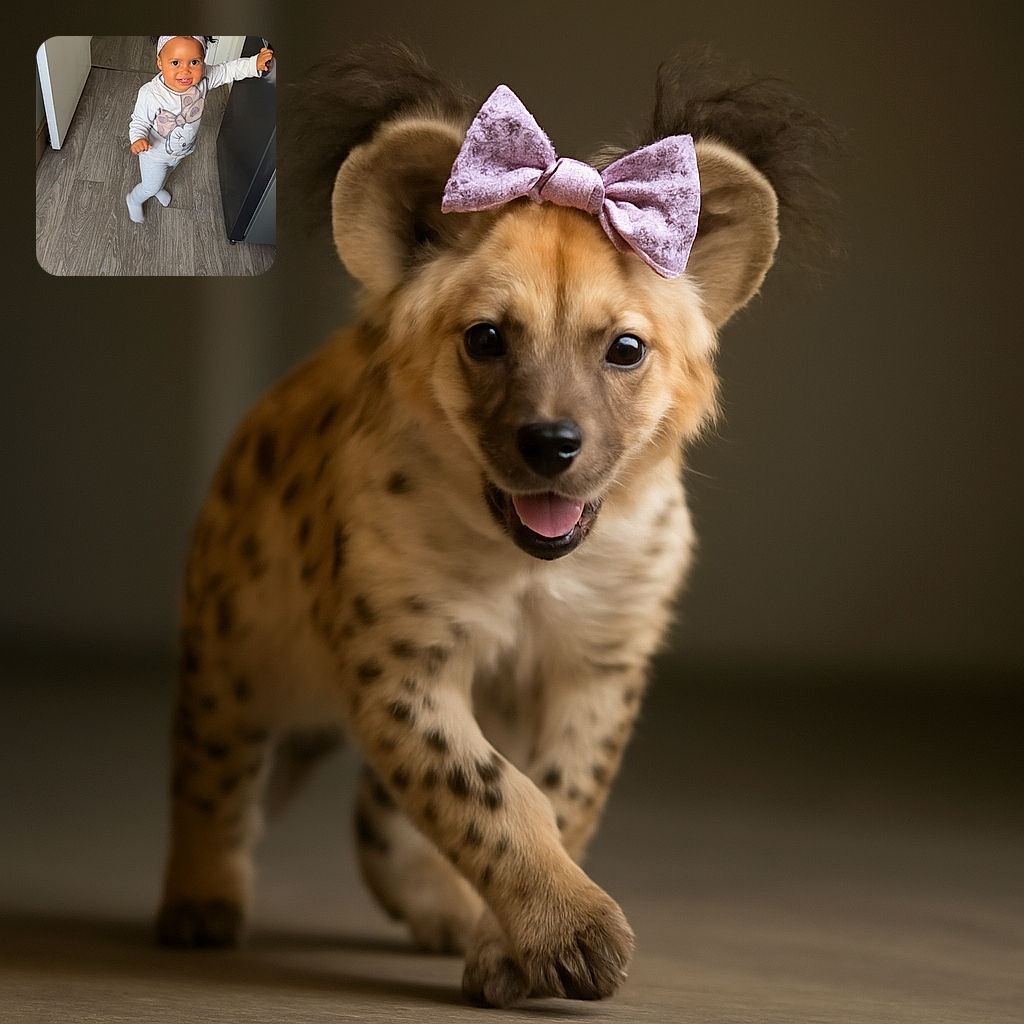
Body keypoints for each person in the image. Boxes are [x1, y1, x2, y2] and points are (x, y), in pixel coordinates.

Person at [126, 36, 273, 224]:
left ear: (203, 61)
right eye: (176, 63)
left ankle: (158, 186)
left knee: (168, 172)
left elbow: (229, 70)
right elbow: (139, 121)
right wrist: (138, 138)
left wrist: (254, 64)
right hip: (154, 155)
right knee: (150, 184)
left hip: (181, 151)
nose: (185, 71)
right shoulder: (150, 94)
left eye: (194, 62)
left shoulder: (204, 78)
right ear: (160, 63)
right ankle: (136, 198)